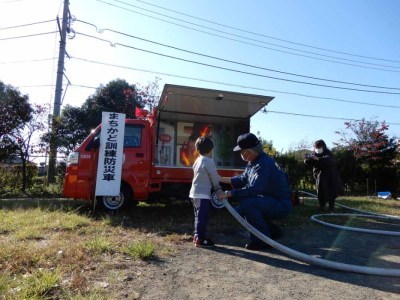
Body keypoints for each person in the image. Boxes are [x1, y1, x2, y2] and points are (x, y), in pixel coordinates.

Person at [219, 133, 292, 250]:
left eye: (242, 151)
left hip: (280, 204)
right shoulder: (253, 162)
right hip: (269, 201)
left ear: (249, 151)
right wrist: (221, 179)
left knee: (248, 204)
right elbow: (243, 179)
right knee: (239, 210)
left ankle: (262, 241)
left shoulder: (264, 164)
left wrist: (229, 194)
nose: (241, 154)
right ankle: (272, 231)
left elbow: (254, 190)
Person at [189, 136, 224, 248]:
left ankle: (196, 235)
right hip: (203, 194)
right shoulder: (209, 161)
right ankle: (201, 238)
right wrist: (218, 188)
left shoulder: (197, 161)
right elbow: (213, 176)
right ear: (211, 149)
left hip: (194, 193)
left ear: (197, 149)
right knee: (203, 216)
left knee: (198, 216)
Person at [304, 139, 343, 213]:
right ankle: (322, 207)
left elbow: (330, 161)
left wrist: (318, 159)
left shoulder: (328, 153)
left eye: (319, 147)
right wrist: (307, 159)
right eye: (316, 147)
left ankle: (331, 208)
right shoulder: (314, 153)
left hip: (330, 176)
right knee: (320, 193)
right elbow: (309, 163)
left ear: (323, 146)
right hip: (319, 177)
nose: (318, 149)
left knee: (331, 192)